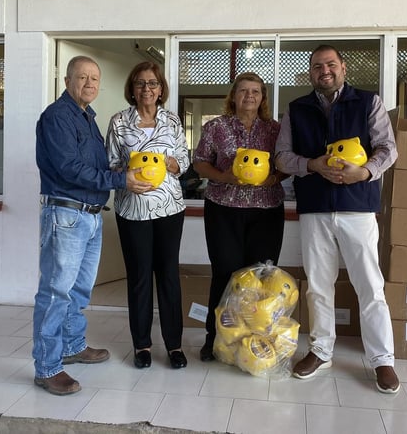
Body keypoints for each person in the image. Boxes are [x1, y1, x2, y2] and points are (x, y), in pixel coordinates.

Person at [274, 45, 401, 394]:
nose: (324, 71)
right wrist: (311, 165)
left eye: (330, 65)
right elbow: (283, 157)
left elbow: (388, 148)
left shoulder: (367, 101)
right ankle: (320, 350)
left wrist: (365, 173)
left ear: (343, 68)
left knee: (370, 286)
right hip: (315, 208)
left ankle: (382, 359)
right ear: (310, 72)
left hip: (357, 207)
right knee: (318, 285)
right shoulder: (296, 108)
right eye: (317, 66)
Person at [33, 55, 151, 396]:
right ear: (67, 80)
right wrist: (121, 180)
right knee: (56, 292)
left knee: (78, 290)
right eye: (82, 77)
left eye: (95, 79)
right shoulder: (57, 117)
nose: (90, 84)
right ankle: (47, 367)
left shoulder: (87, 118)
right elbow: (70, 169)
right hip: (66, 215)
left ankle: (71, 346)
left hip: (90, 215)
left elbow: (96, 164)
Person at [192, 72, 287, 362]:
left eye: (255, 92)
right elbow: (199, 163)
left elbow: (286, 162)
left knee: (262, 277)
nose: (249, 96)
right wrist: (223, 177)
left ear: (263, 98)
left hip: (267, 211)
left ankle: (257, 342)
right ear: (233, 96)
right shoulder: (215, 127)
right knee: (225, 274)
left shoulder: (276, 130)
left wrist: (274, 179)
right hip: (223, 209)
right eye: (243, 91)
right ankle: (216, 339)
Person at [106, 61, 190, 370]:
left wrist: (173, 165)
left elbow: (185, 159)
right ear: (132, 88)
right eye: (141, 83)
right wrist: (128, 173)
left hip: (169, 208)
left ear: (161, 88)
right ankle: (141, 345)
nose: (147, 89)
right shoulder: (118, 122)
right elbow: (111, 163)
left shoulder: (172, 121)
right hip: (133, 208)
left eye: (153, 83)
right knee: (140, 278)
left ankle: (174, 346)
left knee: (168, 276)